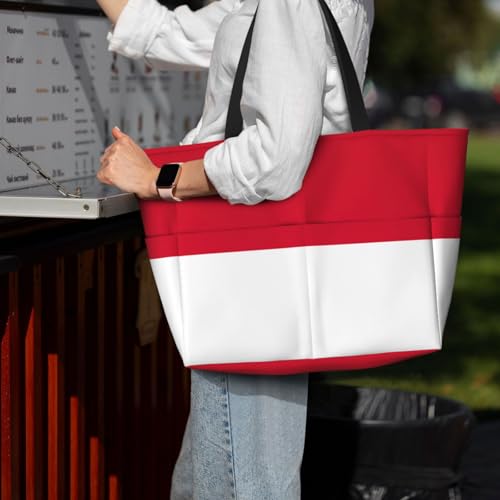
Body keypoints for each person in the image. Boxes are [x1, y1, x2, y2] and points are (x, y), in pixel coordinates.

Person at [95, 0, 374, 498]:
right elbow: (169, 33)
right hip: (271, 264)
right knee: (217, 473)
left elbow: (274, 158)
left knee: (243, 480)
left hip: (251, 265)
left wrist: (158, 178)